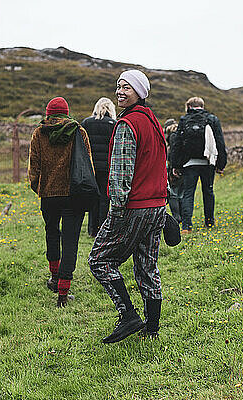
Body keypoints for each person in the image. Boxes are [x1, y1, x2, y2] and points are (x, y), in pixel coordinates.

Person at [88, 70, 168, 343]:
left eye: (127, 88)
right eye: (118, 86)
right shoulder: (152, 121)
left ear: (139, 92)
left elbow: (121, 173)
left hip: (134, 206)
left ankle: (129, 316)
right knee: (147, 265)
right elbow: (159, 165)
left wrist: (116, 212)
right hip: (157, 205)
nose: (120, 92)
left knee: (99, 260)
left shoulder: (127, 125)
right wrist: (165, 201)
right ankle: (152, 328)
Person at [28, 96, 94, 307]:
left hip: (48, 195)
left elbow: (33, 168)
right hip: (74, 194)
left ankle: (55, 278)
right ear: (66, 112)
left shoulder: (39, 133)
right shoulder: (78, 131)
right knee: (70, 241)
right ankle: (63, 294)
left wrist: (38, 187)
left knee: (52, 233)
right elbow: (88, 164)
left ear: (48, 113)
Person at [171, 97, 227, 234]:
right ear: (202, 106)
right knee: (208, 192)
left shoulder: (184, 120)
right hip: (208, 163)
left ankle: (186, 227)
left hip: (189, 163)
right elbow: (219, 142)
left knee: (188, 193)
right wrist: (221, 164)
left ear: (189, 106)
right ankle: (209, 223)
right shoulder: (212, 119)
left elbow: (176, 143)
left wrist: (176, 165)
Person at [82, 98, 117, 237]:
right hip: (107, 167)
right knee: (104, 197)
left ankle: (92, 229)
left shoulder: (86, 123)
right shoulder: (113, 124)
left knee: (93, 196)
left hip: (91, 167)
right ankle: (103, 227)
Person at [164, 118, 183, 223]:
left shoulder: (172, 136)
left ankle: (177, 217)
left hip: (175, 168)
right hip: (184, 167)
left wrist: (172, 168)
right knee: (182, 193)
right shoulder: (181, 133)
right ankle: (183, 216)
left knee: (173, 194)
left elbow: (173, 153)